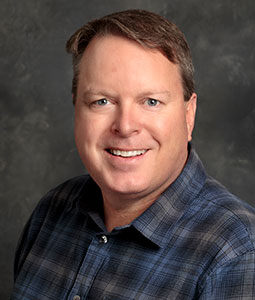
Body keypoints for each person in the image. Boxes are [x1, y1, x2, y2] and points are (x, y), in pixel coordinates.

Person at [11, 9, 255, 299]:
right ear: (76, 108)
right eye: (101, 101)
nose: (125, 126)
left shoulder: (237, 253)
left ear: (188, 115)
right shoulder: (52, 211)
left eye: (151, 101)